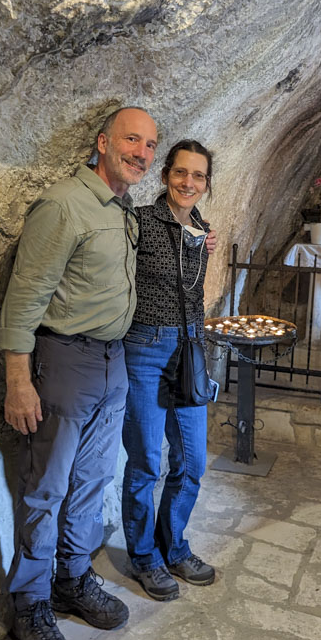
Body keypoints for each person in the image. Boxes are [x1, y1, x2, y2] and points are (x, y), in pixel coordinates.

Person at [0, 106, 158, 640]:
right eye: (131, 139)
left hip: (113, 362)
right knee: (47, 488)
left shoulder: (122, 210)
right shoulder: (64, 204)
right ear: (102, 141)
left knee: (91, 482)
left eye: (149, 144)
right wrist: (19, 380)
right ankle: (31, 604)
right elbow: (25, 296)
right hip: (64, 359)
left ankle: (71, 579)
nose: (141, 152)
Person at [121, 140, 215, 601]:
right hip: (144, 347)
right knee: (144, 460)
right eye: (181, 173)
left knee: (193, 462)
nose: (188, 183)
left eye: (198, 176)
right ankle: (143, 556)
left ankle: (172, 545)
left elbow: (192, 293)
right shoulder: (139, 222)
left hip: (189, 351)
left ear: (206, 183)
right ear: (164, 177)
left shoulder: (203, 230)